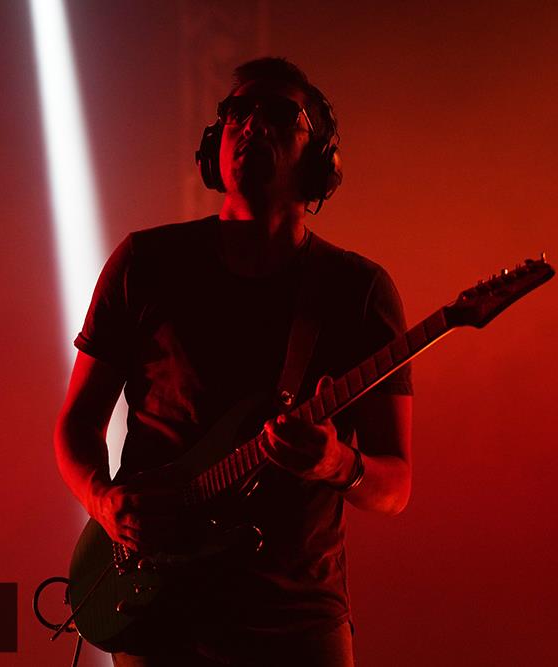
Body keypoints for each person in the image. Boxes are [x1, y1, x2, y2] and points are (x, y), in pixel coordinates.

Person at [55, 57, 413, 666]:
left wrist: (337, 463)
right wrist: (102, 501)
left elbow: (395, 487)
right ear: (212, 145)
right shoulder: (146, 264)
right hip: (158, 611)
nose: (251, 125)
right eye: (236, 112)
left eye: (278, 114)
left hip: (296, 619)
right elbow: (75, 423)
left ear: (320, 159)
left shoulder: (357, 291)